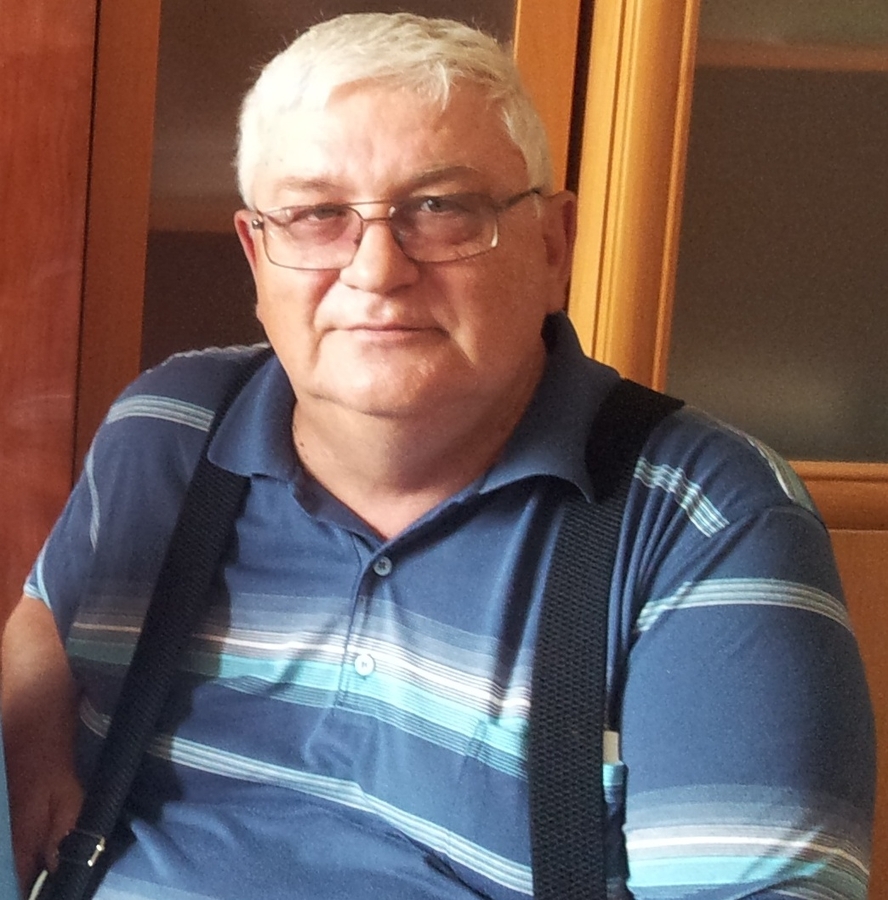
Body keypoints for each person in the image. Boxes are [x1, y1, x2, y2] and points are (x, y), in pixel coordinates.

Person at [0, 12, 875, 900]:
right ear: (257, 254)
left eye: (440, 208)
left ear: (553, 245)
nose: (376, 269)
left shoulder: (704, 521)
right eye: (316, 215)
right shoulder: (167, 427)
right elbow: (47, 610)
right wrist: (32, 743)